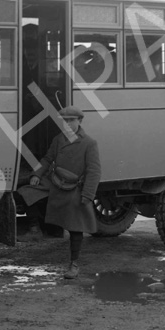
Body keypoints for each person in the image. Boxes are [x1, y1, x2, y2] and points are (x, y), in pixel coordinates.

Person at [17, 105, 102, 279]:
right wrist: (36, 174)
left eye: (71, 120)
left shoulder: (89, 143)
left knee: (75, 226)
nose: (68, 124)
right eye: (65, 121)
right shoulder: (58, 140)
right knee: (27, 192)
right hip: (55, 182)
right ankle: (36, 228)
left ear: (79, 121)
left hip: (74, 188)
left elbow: (94, 171)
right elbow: (48, 159)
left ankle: (74, 264)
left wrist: (87, 194)